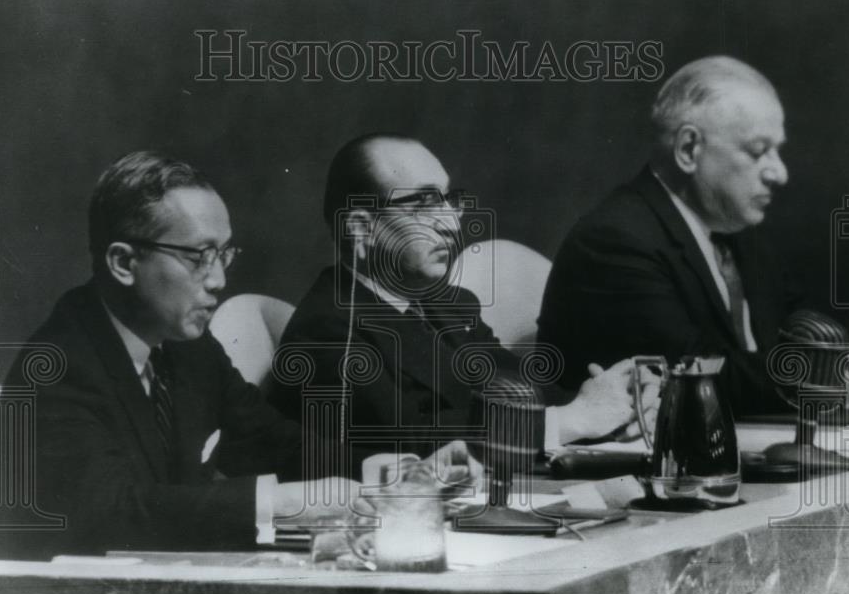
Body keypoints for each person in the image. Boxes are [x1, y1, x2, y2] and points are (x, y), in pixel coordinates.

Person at [0, 151, 470, 561]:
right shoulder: (58, 365)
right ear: (123, 262)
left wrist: (385, 472)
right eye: (198, 256)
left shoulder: (185, 345)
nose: (218, 280)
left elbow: (269, 439)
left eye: (224, 254)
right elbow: (116, 513)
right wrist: (274, 503)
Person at [270, 134, 654, 479]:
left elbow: (524, 390)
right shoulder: (325, 330)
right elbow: (414, 442)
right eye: (423, 204)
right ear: (361, 228)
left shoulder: (451, 305)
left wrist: (616, 402)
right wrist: (575, 418)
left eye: (449, 200)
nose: (452, 224)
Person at [538, 56, 802, 416]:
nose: (780, 173)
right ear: (688, 149)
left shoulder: (742, 237)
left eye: (777, 150)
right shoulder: (612, 243)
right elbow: (698, 381)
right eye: (758, 151)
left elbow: (799, 342)